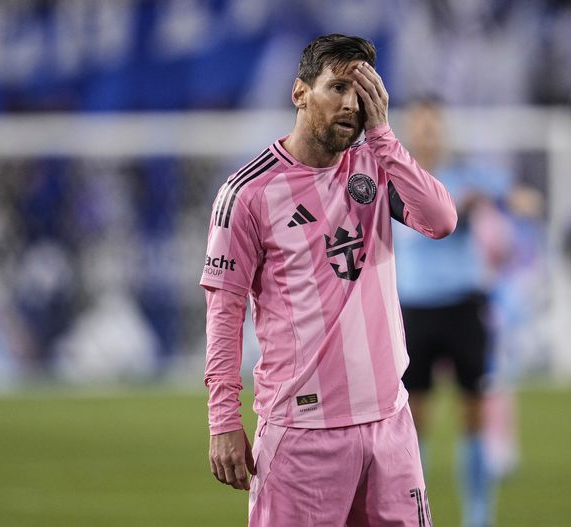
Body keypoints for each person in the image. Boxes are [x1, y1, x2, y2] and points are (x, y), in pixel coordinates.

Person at [200, 34, 457, 526]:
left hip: (389, 423)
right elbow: (224, 312)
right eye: (337, 87)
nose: (350, 104)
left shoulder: (375, 166)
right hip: (302, 433)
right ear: (299, 92)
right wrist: (223, 418)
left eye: (361, 94)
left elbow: (440, 220)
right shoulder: (247, 193)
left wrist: (384, 137)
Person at [394, 99, 512, 527]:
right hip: (414, 308)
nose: (427, 132)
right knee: (413, 421)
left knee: (473, 411)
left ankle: (479, 515)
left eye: (433, 124)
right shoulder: (392, 176)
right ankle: (413, 512)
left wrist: (501, 199)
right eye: (420, 124)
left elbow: (506, 193)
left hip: (464, 304)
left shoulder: (468, 176)